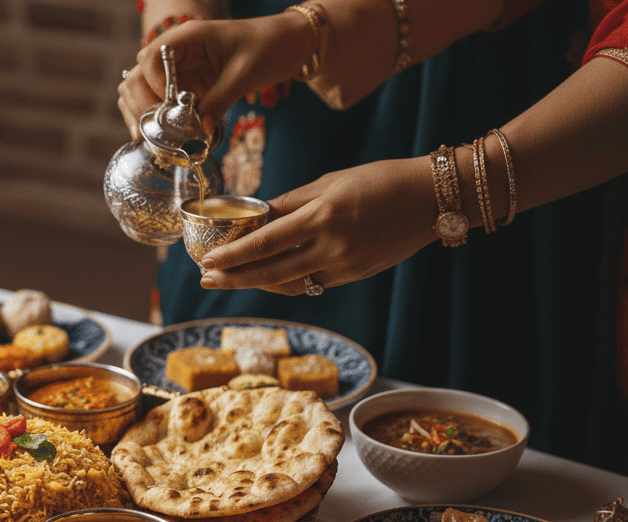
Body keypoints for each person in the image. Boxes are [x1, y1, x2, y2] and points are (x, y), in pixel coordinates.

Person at [119, 0, 623, 461]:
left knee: (439, 423)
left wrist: (446, 194)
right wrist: (180, 35)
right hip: (251, 73)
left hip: (477, 108)